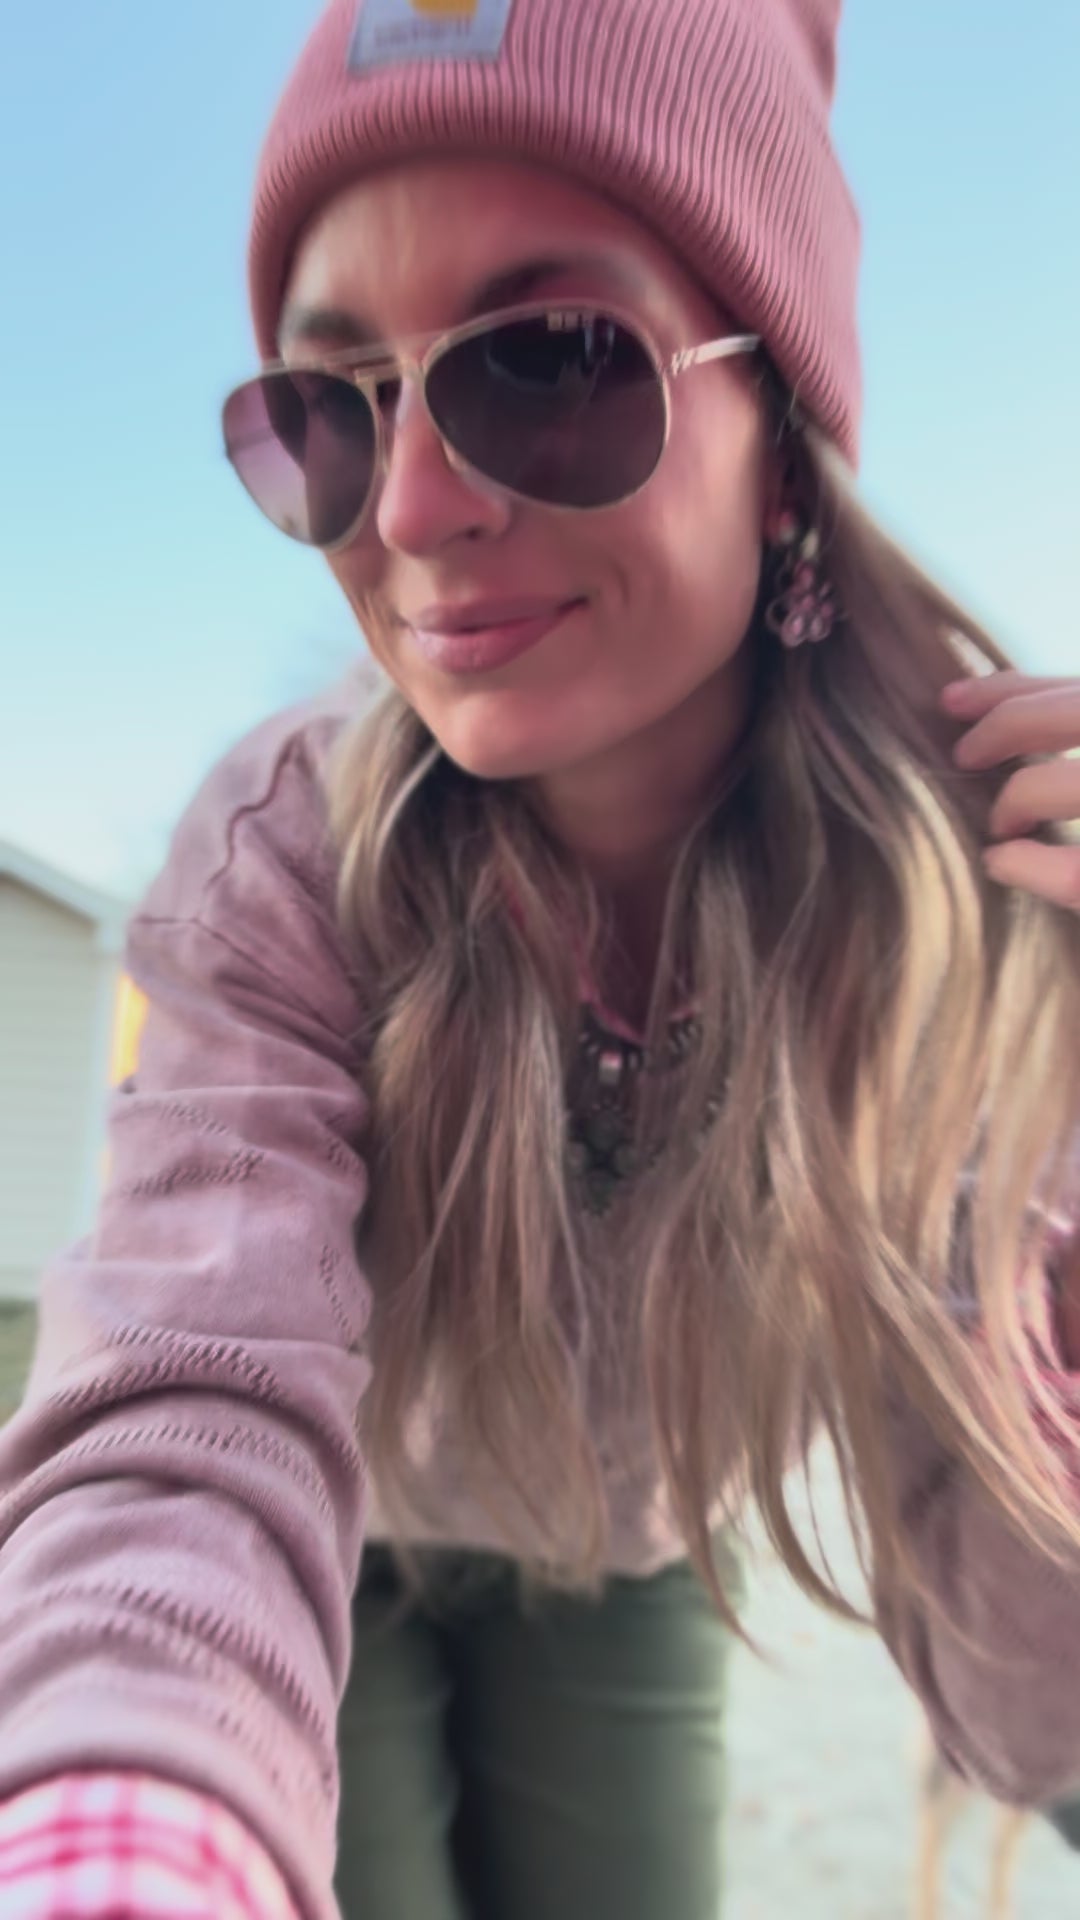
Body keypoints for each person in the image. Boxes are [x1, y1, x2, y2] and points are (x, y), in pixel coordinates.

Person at [1, 1, 1079, 1916]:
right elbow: (184, 1403)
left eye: (554, 361)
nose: (412, 511)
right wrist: (117, 1855)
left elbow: (1028, 1677)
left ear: (784, 444)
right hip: (327, 1530)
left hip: (633, 1554)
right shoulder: (288, 855)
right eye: (332, 409)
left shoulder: (952, 900)